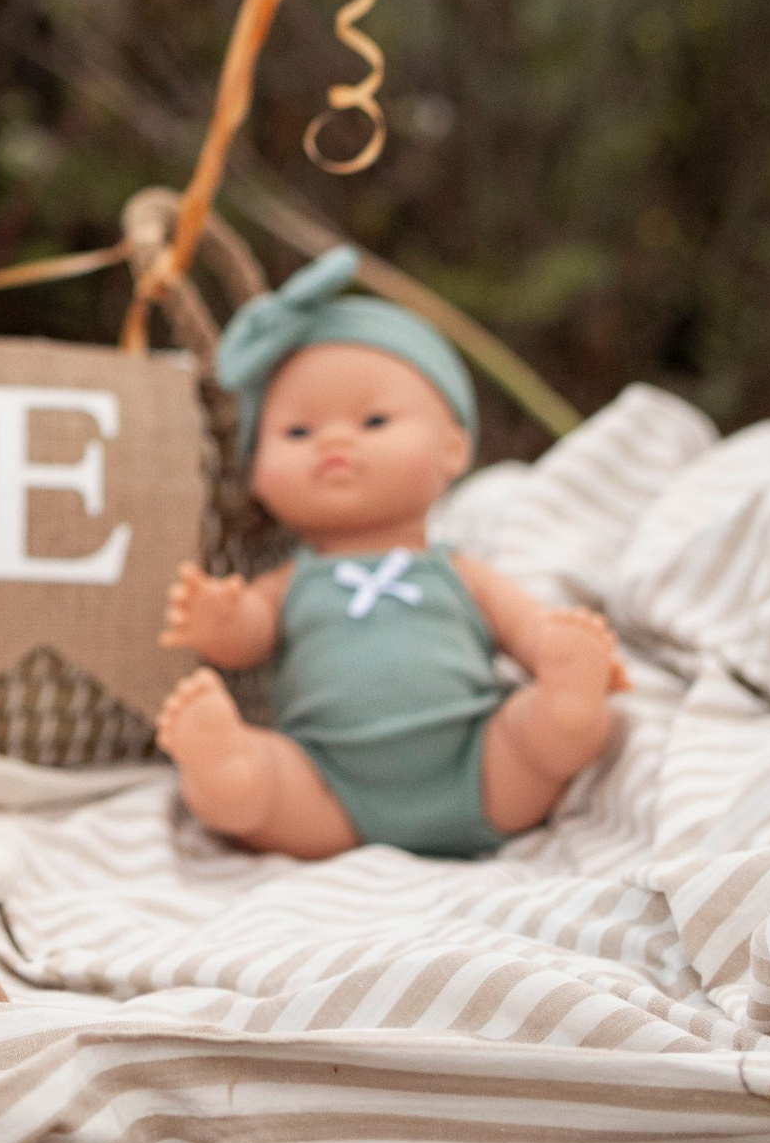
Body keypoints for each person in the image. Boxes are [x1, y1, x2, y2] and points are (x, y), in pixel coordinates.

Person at [154, 252, 623, 862]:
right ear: (258, 475)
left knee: (536, 735)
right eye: (298, 433)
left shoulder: (455, 571)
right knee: (268, 787)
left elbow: (526, 627)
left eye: (374, 420)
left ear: (453, 450)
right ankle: (230, 770)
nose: (335, 442)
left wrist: (559, 649)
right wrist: (222, 623)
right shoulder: (290, 582)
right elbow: (249, 638)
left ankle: (566, 711)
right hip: (329, 791)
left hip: (478, 765)